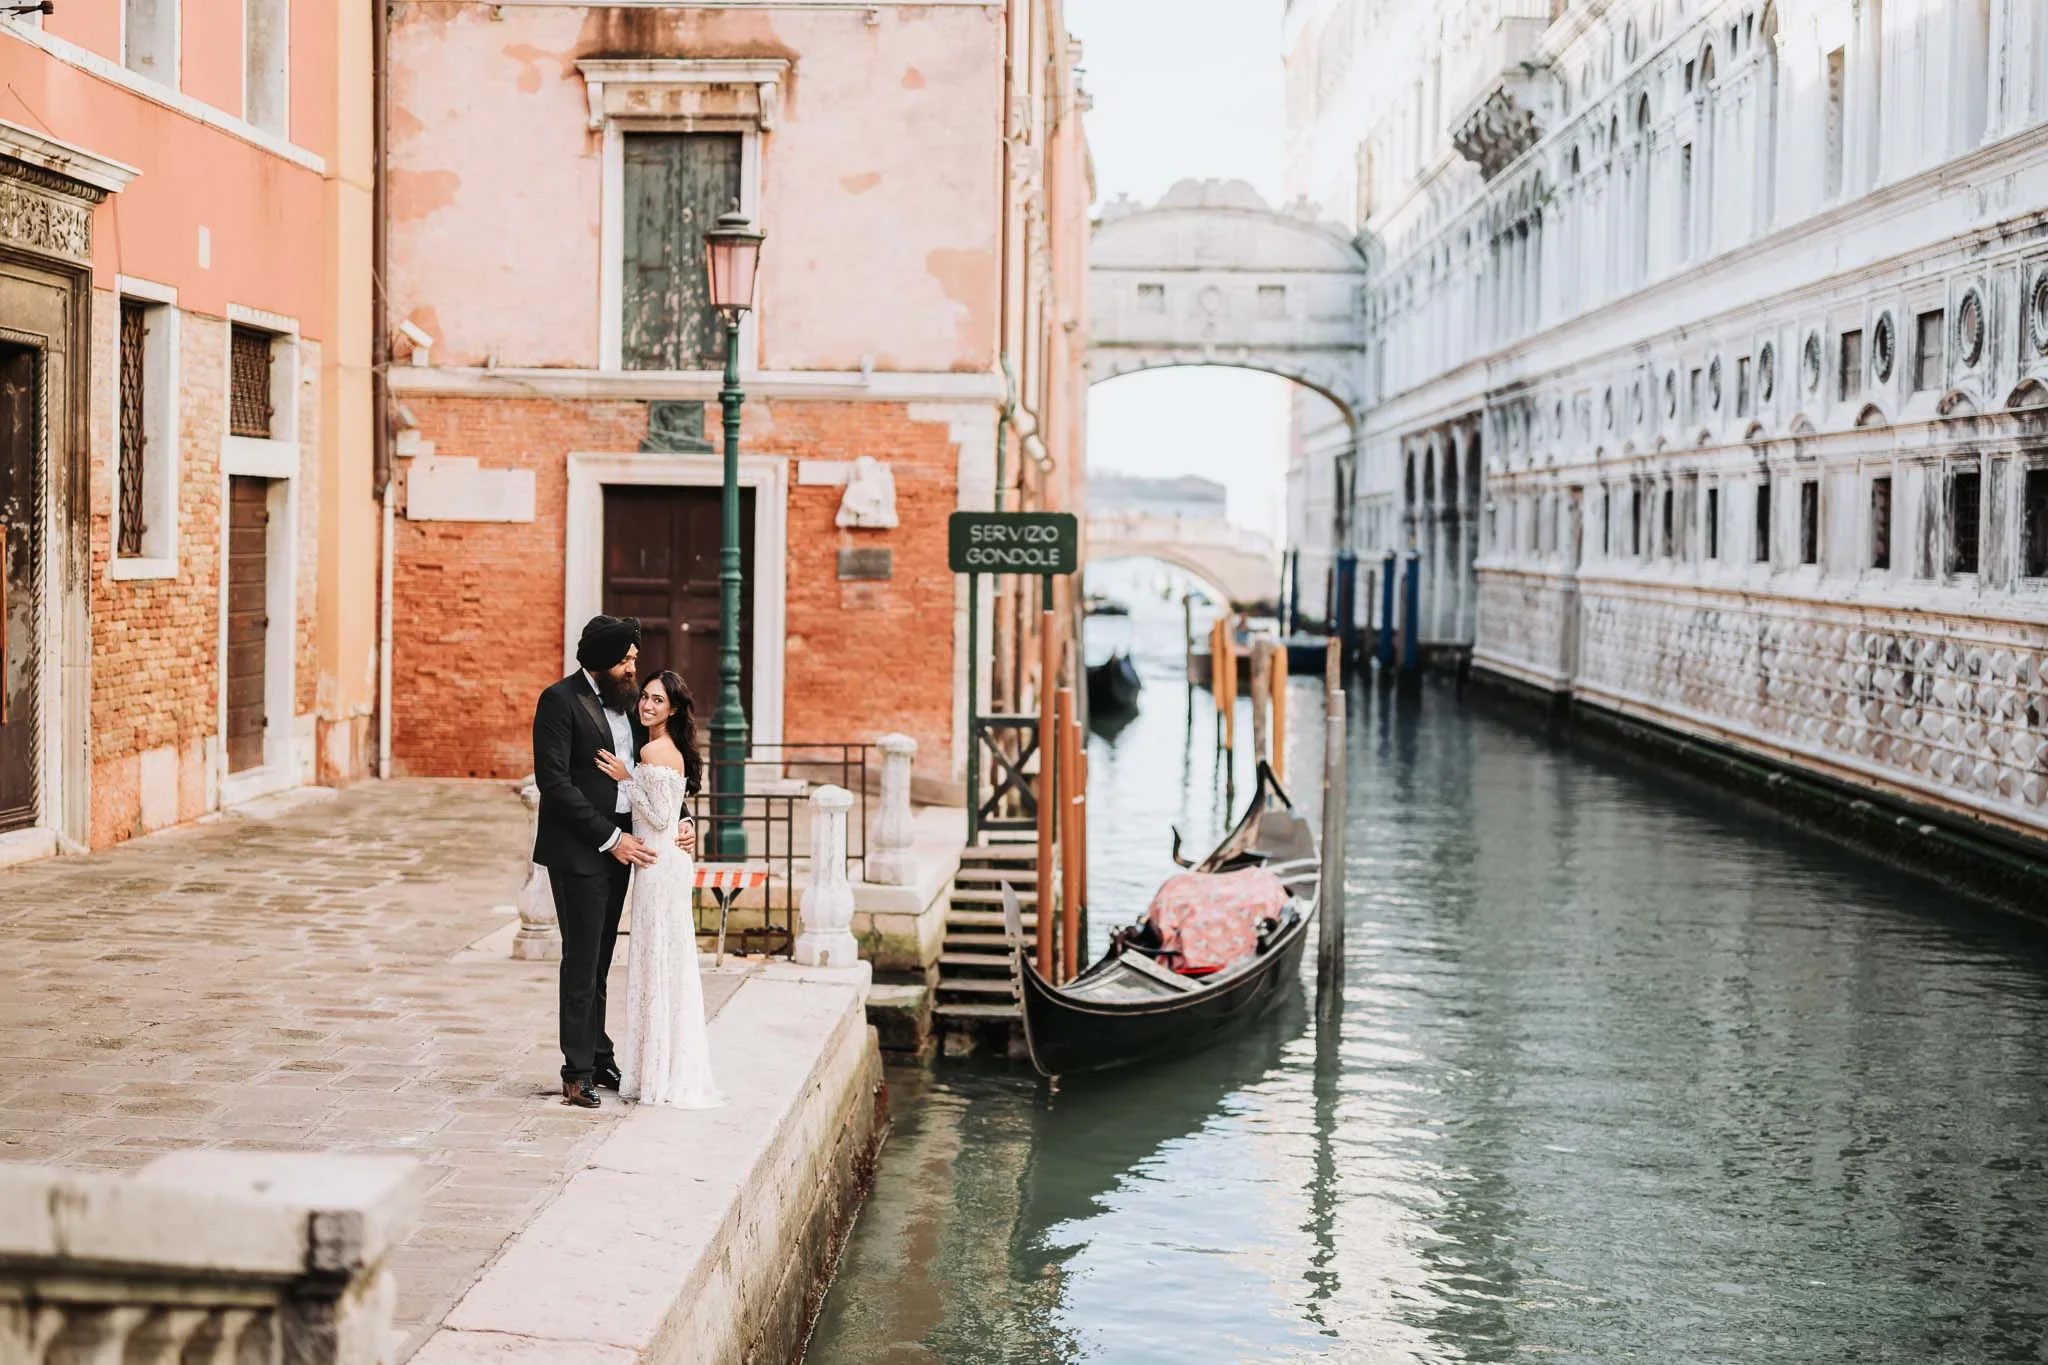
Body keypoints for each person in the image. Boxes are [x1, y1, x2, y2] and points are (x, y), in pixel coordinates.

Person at [531, 615, 688, 1108]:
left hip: (625, 852)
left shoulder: (629, 705)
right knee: (581, 960)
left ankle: (599, 1055)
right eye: (626, 660)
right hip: (581, 851)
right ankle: (576, 1070)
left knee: (600, 960)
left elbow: (651, 771)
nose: (633, 669)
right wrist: (610, 838)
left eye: (634, 659)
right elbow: (554, 784)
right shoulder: (559, 701)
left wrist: (682, 816)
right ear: (601, 662)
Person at [598, 670, 723, 1109]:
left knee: (654, 960)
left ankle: (654, 1071)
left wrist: (623, 777)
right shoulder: (667, 744)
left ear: (673, 709)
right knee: (667, 959)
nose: (647, 706)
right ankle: (662, 1065)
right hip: (666, 860)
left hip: (654, 860)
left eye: (657, 701)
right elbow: (672, 810)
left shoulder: (652, 748)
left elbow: (659, 813)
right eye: (645, 698)